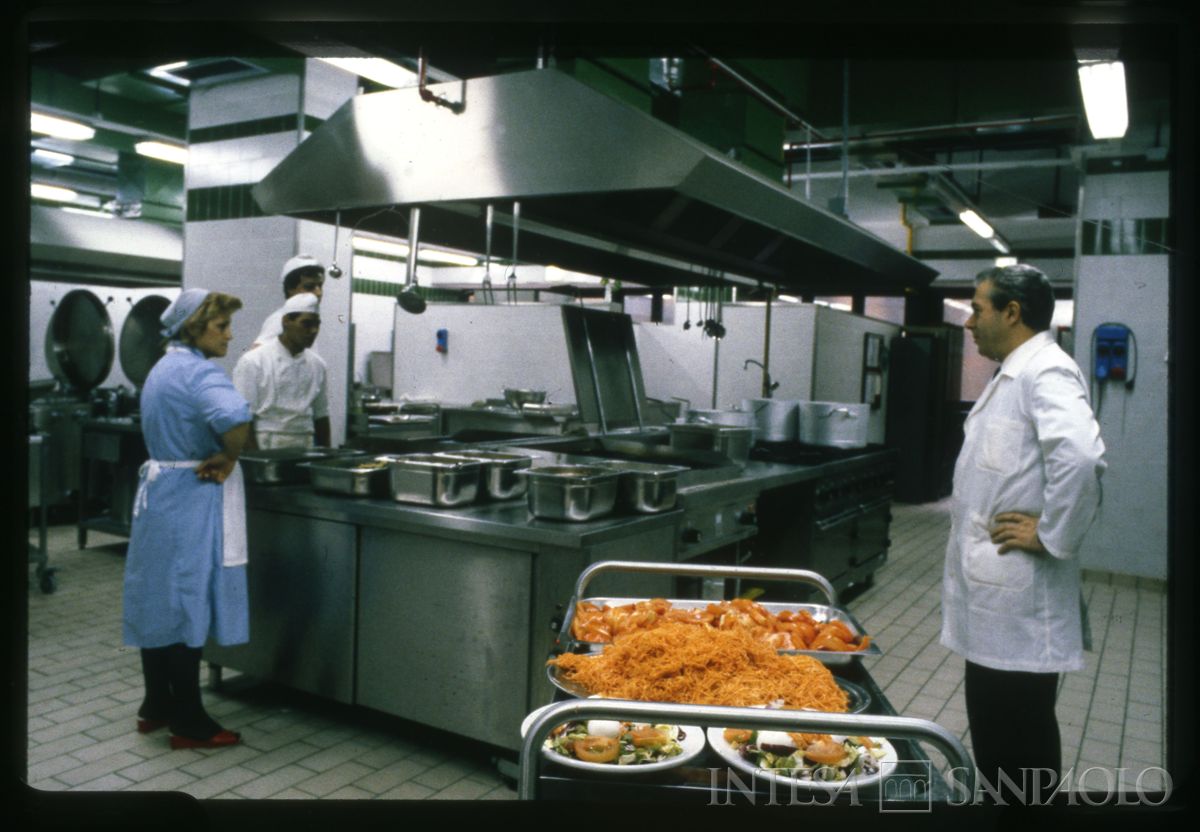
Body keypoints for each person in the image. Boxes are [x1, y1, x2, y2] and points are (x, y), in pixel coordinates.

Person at [941, 264, 1107, 799]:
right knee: (998, 738)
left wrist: (1050, 534)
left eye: (977, 309)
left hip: (1018, 603)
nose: (969, 322)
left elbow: (1080, 458)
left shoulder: (1046, 371)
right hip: (996, 601)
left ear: (1012, 312)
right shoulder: (1013, 373)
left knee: (1019, 743)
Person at [122, 288, 252, 750]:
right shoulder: (200, 372)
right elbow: (237, 420)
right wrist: (228, 456)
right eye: (221, 326)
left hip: (160, 495)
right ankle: (189, 719)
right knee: (187, 601)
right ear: (194, 328)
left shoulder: (163, 367)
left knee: (159, 597)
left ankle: (156, 704)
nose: (230, 335)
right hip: (191, 496)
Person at [233, 292, 330, 450]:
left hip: (306, 444)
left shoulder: (318, 365)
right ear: (286, 322)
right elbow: (243, 419)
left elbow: (321, 415)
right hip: (266, 444)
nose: (313, 330)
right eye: (306, 324)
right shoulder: (254, 361)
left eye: (317, 325)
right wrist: (257, 461)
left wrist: (327, 456)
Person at [250, 254, 325, 350]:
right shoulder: (280, 319)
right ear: (290, 289)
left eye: (320, 286)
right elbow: (256, 353)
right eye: (309, 287)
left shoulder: (310, 320)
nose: (319, 293)